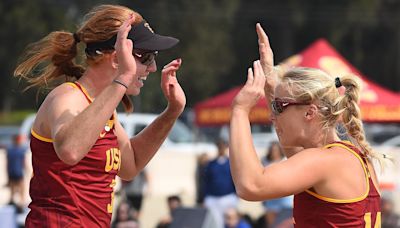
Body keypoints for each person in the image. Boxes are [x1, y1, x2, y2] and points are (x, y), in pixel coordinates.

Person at [14, 4, 185, 227]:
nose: (152, 68)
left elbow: (130, 164)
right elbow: (70, 150)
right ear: (116, 58)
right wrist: (123, 78)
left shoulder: (103, 107)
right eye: (146, 57)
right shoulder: (67, 98)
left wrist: (172, 112)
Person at [229, 23, 383, 227]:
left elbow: (251, 186)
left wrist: (240, 111)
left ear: (310, 112)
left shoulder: (324, 161)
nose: (273, 116)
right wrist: (270, 84)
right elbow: (295, 155)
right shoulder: (348, 157)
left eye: (280, 106)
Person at [204, 139, 238, 228]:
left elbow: (235, 179)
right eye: (219, 147)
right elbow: (206, 181)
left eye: (223, 146)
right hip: (213, 198)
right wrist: (206, 196)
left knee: (230, 221)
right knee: (216, 223)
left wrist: (236, 195)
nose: (221, 149)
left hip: (228, 196)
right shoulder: (211, 164)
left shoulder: (231, 163)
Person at [261, 141, 293, 227]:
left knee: (285, 224)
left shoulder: (285, 160)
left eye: (275, 150)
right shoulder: (264, 161)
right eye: (272, 150)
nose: (273, 152)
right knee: (272, 225)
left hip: (285, 198)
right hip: (270, 197)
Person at [6, 134, 27, 212]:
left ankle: (12, 200)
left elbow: (7, 163)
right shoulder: (21, 150)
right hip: (19, 171)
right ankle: (21, 204)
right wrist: (26, 171)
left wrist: (7, 173)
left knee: (12, 188)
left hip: (11, 171)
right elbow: (24, 162)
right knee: (21, 188)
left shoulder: (9, 150)